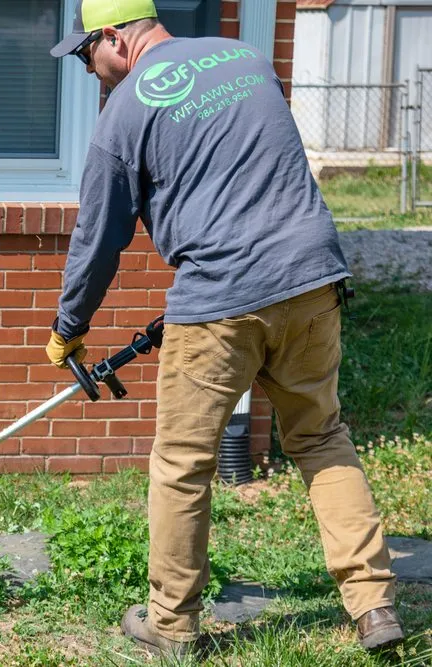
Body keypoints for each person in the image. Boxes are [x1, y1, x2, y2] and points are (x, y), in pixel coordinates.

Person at [45, 0, 404, 657]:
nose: (89, 71)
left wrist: (69, 326)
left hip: (220, 297)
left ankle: (172, 626)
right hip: (313, 277)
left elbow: (99, 237)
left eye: (85, 55)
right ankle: (374, 605)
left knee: (183, 464)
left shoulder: (122, 113)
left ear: (114, 38)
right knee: (321, 436)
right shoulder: (245, 59)